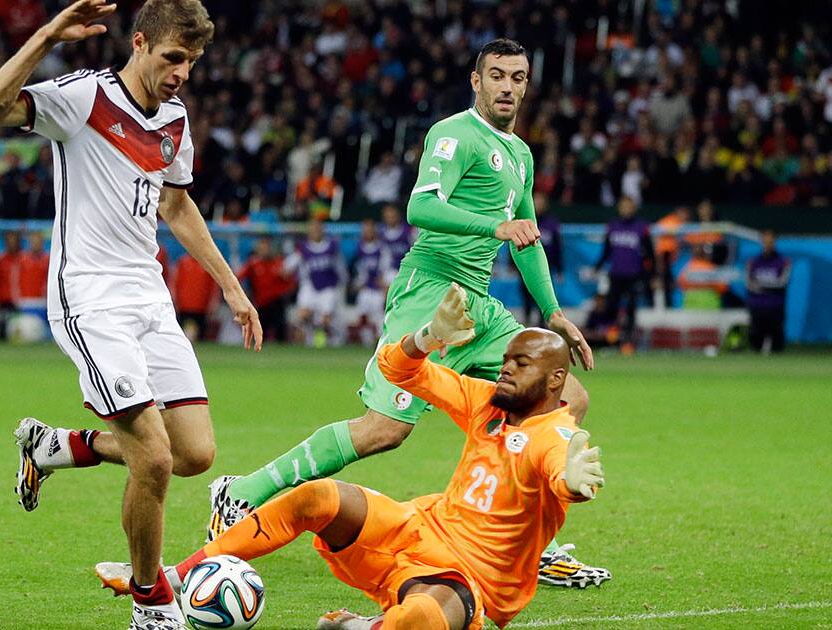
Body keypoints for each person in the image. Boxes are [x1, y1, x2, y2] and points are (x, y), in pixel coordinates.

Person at [209, 38, 610, 588]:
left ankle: (529, 542)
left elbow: (527, 239)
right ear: (477, 81)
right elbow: (420, 206)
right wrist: (494, 227)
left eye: (517, 78)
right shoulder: (453, 134)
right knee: (384, 430)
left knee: (565, 400)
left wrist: (555, 312)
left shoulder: (520, 154)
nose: (507, 87)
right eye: (496, 75)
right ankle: (243, 492)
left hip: (482, 307)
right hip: (433, 292)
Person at [0, 2, 263, 627]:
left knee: (193, 454)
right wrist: (49, 34)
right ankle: (151, 604)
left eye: (192, 61)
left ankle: (58, 447)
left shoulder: (176, 118)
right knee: (153, 459)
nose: (182, 72)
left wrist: (232, 290)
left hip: (149, 299)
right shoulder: (83, 98)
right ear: (139, 44)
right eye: (173, 58)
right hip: (90, 299)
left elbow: (177, 207)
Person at [97, 288, 606, 628]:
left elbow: (560, 470)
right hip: (418, 530)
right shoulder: (484, 402)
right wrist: (426, 338)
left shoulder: (555, 434)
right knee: (318, 497)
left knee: (420, 619)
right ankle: (177, 575)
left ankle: (366, 627)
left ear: (556, 381)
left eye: (521, 364)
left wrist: (570, 482)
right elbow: (400, 370)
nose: (505, 370)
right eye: (507, 360)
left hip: (472, 580)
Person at [595, 196, 655, 347]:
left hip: (634, 275)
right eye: (623, 206)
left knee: (631, 309)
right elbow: (607, 251)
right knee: (611, 308)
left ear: (634, 208)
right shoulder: (613, 226)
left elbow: (650, 254)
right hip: (616, 275)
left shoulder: (642, 227)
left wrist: (650, 276)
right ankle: (611, 340)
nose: (626, 209)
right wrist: (597, 266)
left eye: (629, 206)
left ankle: (629, 342)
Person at [288, 218, 347, 347]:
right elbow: (288, 267)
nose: (315, 231)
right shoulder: (302, 248)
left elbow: (340, 268)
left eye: (318, 228)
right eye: (312, 228)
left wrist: (343, 284)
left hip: (328, 287)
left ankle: (328, 338)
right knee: (303, 315)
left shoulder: (331, 247)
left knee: (326, 319)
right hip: (309, 286)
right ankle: (310, 337)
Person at [237, 237, 295, 343]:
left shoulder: (278, 263)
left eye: (266, 248)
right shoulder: (252, 264)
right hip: (261, 304)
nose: (264, 250)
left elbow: (290, 283)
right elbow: (238, 277)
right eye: (262, 248)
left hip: (277, 302)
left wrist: (286, 282)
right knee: (259, 333)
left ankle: (283, 353)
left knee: (280, 332)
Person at [519, 192, 561, 326]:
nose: (538, 205)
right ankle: (527, 323)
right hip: (525, 266)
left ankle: (542, 325)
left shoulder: (552, 223)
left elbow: (557, 247)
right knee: (526, 298)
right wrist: (512, 264)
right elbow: (515, 242)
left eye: (540, 202)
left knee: (542, 297)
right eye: (535, 201)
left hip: (545, 268)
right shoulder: (523, 220)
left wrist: (559, 268)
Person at [746, 230, 790, 353]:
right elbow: (749, 284)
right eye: (765, 241)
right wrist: (769, 285)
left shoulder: (783, 261)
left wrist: (761, 286)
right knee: (756, 344)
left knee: (777, 346)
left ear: (775, 242)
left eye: (771, 241)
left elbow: (782, 283)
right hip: (757, 307)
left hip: (775, 307)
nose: (768, 244)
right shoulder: (753, 262)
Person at [350, 218, 391, 345]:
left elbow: (386, 265)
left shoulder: (381, 248)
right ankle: (365, 341)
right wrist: (357, 283)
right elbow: (358, 269)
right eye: (365, 229)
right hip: (366, 288)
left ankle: (380, 341)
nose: (367, 232)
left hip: (378, 288)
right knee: (362, 314)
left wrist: (384, 282)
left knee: (379, 316)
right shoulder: (359, 248)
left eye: (370, 229)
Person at [171, 253, 219, 341]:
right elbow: (175, 282)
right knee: (181, 336)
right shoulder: (182, 262)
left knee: (201, 336)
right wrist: (174, 300)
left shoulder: (207, 264)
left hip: (202, 306)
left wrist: (213, 303)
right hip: (184, 305)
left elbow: (213, 287)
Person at [0, 231, 23, 333]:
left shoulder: (24, 258)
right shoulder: (1, 259)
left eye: (14, 240)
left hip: (21, 300)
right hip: (4, 300)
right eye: (9, 240)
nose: (12, 243)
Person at [17, 231, 49, 307]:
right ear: (30, 242)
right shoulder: (22, 259)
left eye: (38, 241)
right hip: (25, 300)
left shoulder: (48, 259)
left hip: (42, 301)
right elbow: (16, 280)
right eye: (34, 241)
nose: (36, 244)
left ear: (42, 243)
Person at [379, 203, 413, 272]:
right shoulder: (381, 234)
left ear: (398, 215)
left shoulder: (408, 231)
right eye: (388, 217)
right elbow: (383, 257)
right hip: (391, 270)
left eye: (392, 216)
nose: (390, 219)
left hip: (408, 267)